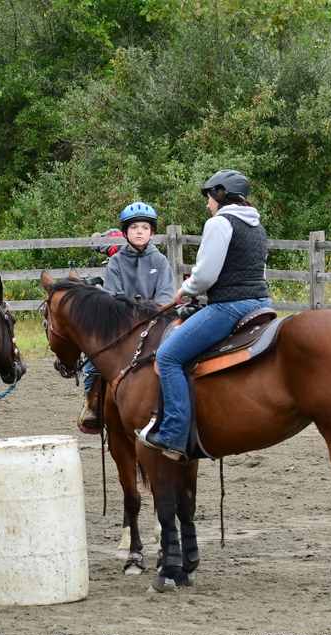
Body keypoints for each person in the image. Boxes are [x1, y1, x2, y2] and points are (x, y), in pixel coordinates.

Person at [137, 170, 271, 460]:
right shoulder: (257, 225)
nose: (207, 204)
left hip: (230, 305)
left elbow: (207, 274)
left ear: (220, 195)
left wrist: (185, 289)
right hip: (261, 303)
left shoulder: (219, 223)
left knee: (168, 356)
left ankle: (172, 434)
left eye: (209, 197)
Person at [78, 202, 176, 431]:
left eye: (144, 227)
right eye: (134, 227)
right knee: (96, 354)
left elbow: (165, 296)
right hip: (122, 324)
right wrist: (136, 308)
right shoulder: (116, 262)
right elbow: (113, 297)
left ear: (152, 233)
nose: (139, 231)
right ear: (125, 233)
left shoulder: (160, 261)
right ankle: (92, 401)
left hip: (154, 322)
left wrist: (146, 308)